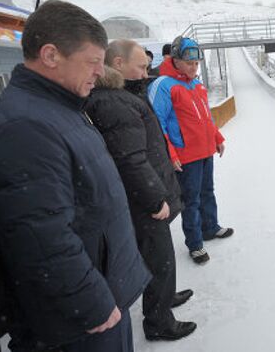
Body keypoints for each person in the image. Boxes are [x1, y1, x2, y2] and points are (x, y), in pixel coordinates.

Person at [0, 0, 151, 351]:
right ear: (51, 56)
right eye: (93, 61)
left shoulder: (59, 109)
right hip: (82, 319)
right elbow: (40, 234)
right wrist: (93, 304)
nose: (100, 71)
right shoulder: (25, 125)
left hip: (101, 297)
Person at [85, 39, 196, 341]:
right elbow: (129, 159)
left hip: (146, 193)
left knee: (160, 256)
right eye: (141, 66)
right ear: (118, 64)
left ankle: (163, 297)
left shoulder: (123, 95)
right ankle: (159, 321)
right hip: (143, 201)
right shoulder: (113, 102)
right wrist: (155, 199)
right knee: (159, 258)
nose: (147, 72)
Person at [148, 36, 233, 264]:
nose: (194, 67)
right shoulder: (163, 85)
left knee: (208, 191)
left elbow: (206, 116)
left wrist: (217, 137)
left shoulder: (196, 84)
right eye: (189, 63)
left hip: (205, 151)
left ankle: (210, 227)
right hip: (186, 156)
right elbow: (158, 124)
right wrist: (172, 154)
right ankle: (195, 243)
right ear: (175, 60)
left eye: (196, 63)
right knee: (191, 200)